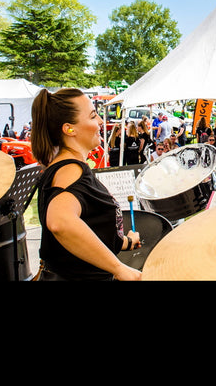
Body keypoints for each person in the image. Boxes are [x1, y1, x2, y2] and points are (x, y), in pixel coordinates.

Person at [31, 88, 141, 281]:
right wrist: (119, 268)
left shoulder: (64, 168)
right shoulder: (70, 171)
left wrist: (125, 242)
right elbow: (60, 222)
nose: (100, 121)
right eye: (92, 116)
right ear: (69, 129)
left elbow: (90, 228)